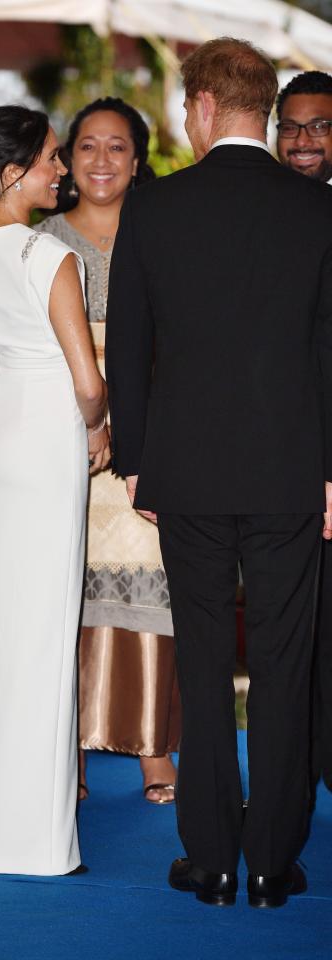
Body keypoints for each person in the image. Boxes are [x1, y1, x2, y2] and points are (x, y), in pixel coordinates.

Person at [106, 37, 332, 909]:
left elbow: (130, 341)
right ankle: (274, 861)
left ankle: (210, 860)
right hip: (290, 470)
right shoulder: (316, 208)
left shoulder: (155, 207)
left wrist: (136, 463)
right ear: (263, 110)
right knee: (283, 664)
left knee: (202, 664)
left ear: (201, 105)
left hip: (187, 473)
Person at [0, 105, 110, 876]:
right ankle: (33, 843)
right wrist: (94, 428)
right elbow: (90, 385)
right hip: (41, 446)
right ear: (11, 173)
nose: (62, 171)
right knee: (37, 635)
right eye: (50, 159)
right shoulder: (49, 258)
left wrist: (5, 403)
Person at [37, 98, 180, 805]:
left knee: (153, 585)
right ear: (64, 160)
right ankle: (72, 755)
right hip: (57, 437)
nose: (100, 161)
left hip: (148, 440)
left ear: (138, 157)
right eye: (85, 146)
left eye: (116, 147)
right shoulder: (39, 239)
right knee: (63, 591)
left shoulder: (169, 231)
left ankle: (156, 749)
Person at [276, 70, 332, 795]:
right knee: (290, 634)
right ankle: (294, 777)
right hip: (278, 453)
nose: (302, 139)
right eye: (290, 124)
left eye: (320, 125)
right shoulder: (260, 212)